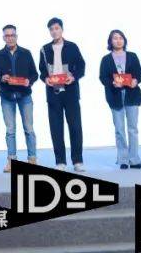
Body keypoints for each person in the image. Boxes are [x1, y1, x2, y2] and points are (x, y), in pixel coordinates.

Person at [37, 18, 86, 171]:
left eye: (57, 28)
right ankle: (60, 161)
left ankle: (78, 161)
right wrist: (45, 78)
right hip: (53, 93)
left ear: (62, 29)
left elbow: (82, 66)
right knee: (56, 128)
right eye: (51, 29)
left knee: (75, 127)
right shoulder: (44, 49)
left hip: (71, 92)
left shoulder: (72, 46)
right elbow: (42, 71)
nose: (54, 31)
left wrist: (74, 76)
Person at [0, 24, 39, 172]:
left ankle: (32, 159)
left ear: (16, 36)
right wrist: (1, 78)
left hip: (25, 95)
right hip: (7, 96)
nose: (10, 38)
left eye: (12, 35)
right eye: (7, 36)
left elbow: (34, 74)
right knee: (10, 130)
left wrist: (29, 81)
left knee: (29, 128)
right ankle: (12, 161)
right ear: (3, 37)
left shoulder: (26, 53)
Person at [98, 30, 141, 170]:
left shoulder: (132, 56)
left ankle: (134, 159)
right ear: (110, 41)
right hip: (115, 95)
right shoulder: (106, 59)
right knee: (119, 129)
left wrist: (135, 81)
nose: (118, 40)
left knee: (133, 129)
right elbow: (103, 77)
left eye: (120, 38)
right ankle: (123, 159)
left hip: (131, 94)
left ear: (124, 40)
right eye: (115, 38)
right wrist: (112, 83)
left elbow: (139, 75)